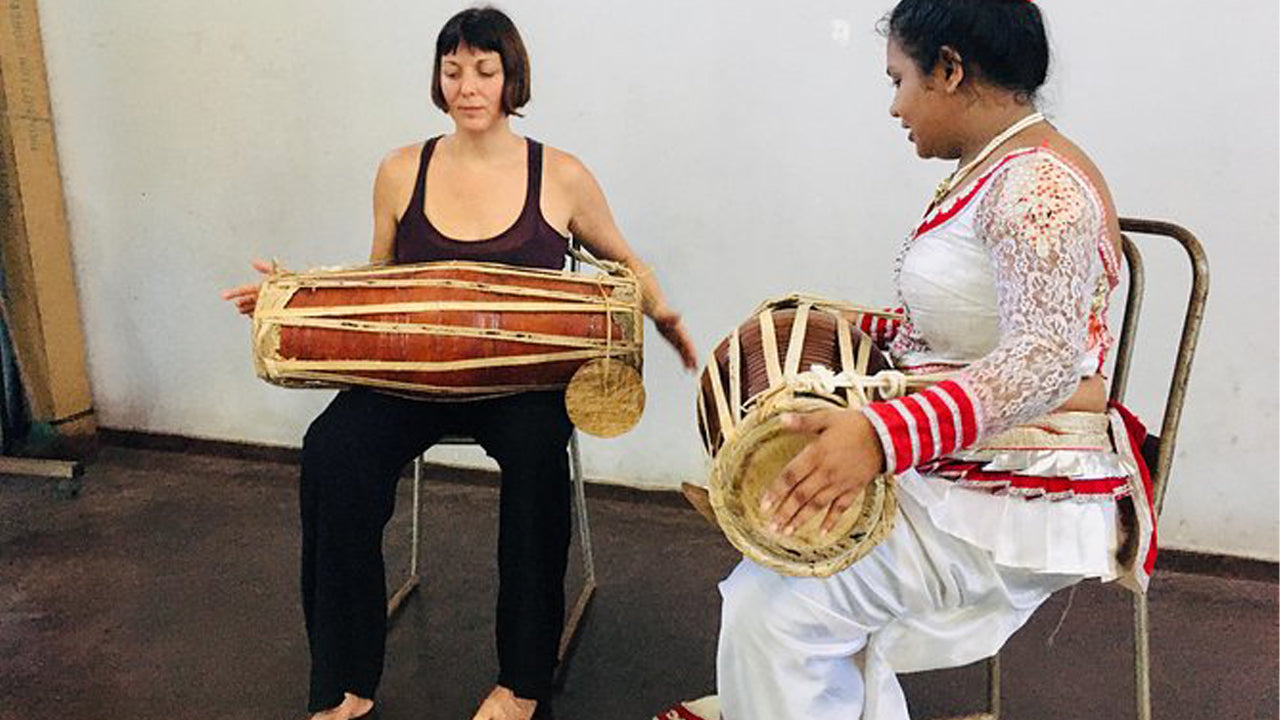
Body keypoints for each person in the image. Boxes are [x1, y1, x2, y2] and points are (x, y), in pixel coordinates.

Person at [667, 2, 1156, 719]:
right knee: (789, 569)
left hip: (1022, 491)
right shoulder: (996, 168)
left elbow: (1047, 360)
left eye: (900, 78)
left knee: (773, 609)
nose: (895, 105)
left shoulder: (1038, 187)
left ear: (951, 69)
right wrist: (835, 323)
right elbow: (962, 334)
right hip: (977, 460)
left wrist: (881, 436)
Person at [223, 7, 698, 720]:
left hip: (520, 385)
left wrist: (663, 317)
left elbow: (624, 262)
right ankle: (344, 683)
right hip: (411, 379)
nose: (468, 86)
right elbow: (375, 284)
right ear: (438, 79)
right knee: (332, 451)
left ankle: (522, 682)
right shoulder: (400, 169)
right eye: (453, 71)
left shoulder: (559, 174)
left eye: (484, 70)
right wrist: (291, 298)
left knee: (539, 457)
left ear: (511, 78)